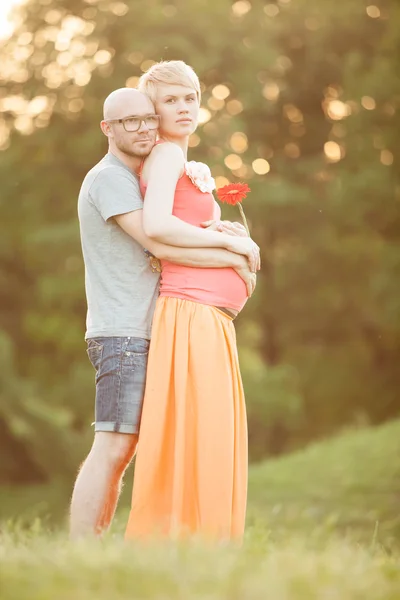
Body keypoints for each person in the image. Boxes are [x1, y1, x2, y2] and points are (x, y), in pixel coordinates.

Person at [70, 87, 258, 539]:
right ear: (107, 129)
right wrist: (233, 252)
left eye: (145, 118)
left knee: (127, 444)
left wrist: (216, 230)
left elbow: (173, 235)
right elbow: (157, 241)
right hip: (123, 331)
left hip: (147, 328)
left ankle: (98, 547)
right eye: (128, 121)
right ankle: (80, 551)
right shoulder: (110, 178)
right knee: (114, 443)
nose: (142, 128)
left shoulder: (142, 172)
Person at [125, 61, 260, 542]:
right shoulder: (164, 156)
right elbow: (157, 226)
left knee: (210, 431)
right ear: (153, 111)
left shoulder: (180, 160)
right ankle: (188, 541)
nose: (183, 108)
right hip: (190, 311)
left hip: (208, 315)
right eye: (170, 100)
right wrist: (234, 247)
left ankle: (204, 545)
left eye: (190, 98)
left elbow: (179, 222)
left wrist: (219, 230)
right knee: (202, 433)